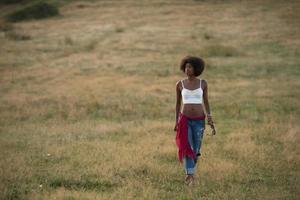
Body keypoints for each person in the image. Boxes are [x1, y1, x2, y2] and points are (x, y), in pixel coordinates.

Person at [174, 55, 216, 186]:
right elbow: (177, 104)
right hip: (185, 120)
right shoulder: (180, 84)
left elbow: (206, 102)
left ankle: (191, 169)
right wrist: (176, 121)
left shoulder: (203, 83)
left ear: (196, 68)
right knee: (188, 148)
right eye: (186, 67)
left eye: (190, 67)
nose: (187, 69)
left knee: (196, 150)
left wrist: (210, 118)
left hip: (199, 120)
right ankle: (190, 176)